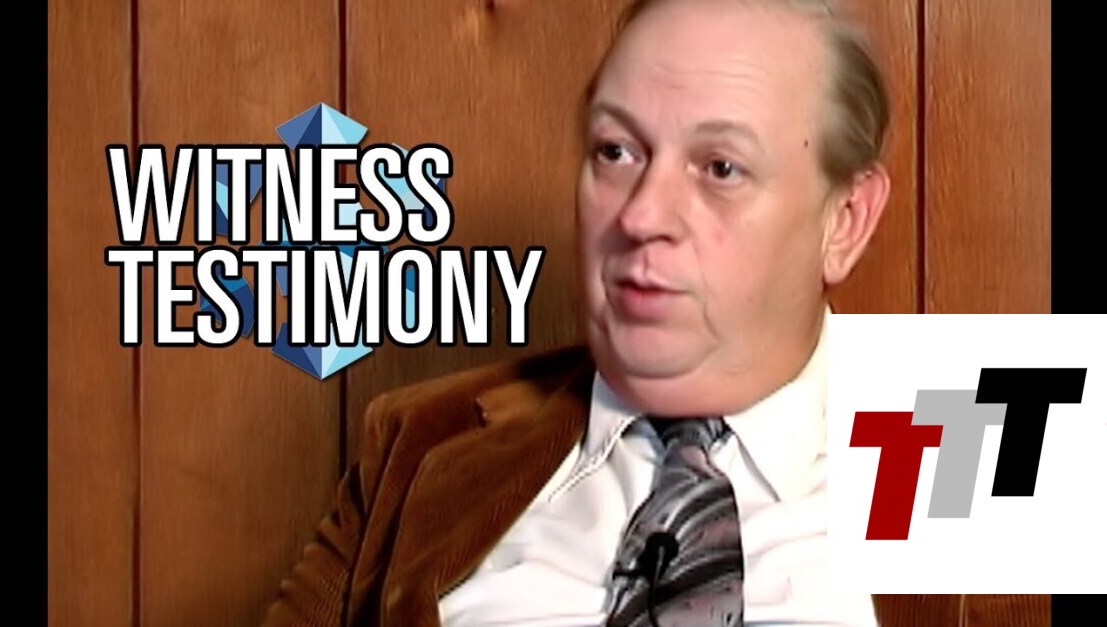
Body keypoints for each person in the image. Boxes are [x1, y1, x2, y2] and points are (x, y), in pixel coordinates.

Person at [262, 0, 891, 624]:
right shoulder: (425, 442)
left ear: (846, 221)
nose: (641, 215)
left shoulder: (941, 432)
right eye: (616, 152)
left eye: (721, 168)